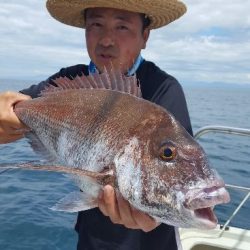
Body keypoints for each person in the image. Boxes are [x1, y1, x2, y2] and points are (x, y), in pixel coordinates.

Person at [0, 0, 193, 249]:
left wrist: (154, 218)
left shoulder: (163, 88)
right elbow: (14, 109)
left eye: (122, 26)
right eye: (96, 24)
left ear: (145, 35)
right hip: (90, 236)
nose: (106, 40)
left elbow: (175, 170)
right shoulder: (68, 80)